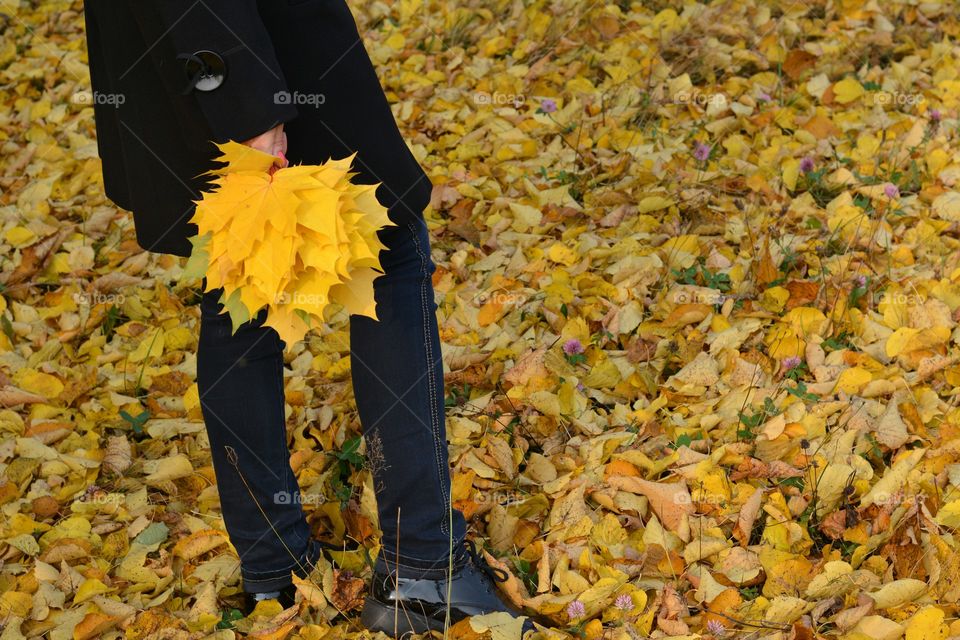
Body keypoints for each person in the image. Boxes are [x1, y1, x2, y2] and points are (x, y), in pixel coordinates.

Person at [81, 1, 533, 635]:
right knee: (387, 245)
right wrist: (247, 104)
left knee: (241, 282)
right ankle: (423, 565)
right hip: (253, 49)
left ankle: (278, 571)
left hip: (186, 46)